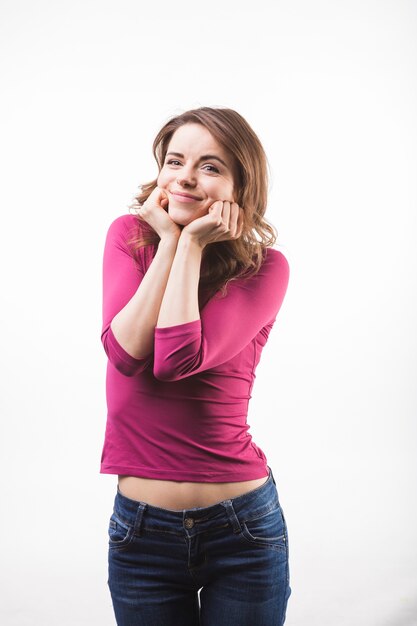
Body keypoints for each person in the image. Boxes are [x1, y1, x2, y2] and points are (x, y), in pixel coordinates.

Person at [100, 106, 291, 626]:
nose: (185, 177)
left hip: (243, 530)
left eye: (210, 166)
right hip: (141, 533)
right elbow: (124, 353)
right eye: (175, 161)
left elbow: (176, 360)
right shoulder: (128, 237)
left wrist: (190, 244)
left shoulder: (264, 268)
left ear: (239, 187)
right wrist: (168, 243)